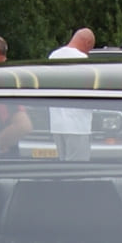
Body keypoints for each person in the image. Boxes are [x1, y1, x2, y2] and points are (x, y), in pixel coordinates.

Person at [48, 29, 95, 160]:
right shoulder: (83, 60)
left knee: (62, 166)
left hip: (56, 123)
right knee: (77, 169)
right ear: (87, 42)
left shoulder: (53, 56)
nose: (88, 52)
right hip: (78, 124)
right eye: (89, 48)